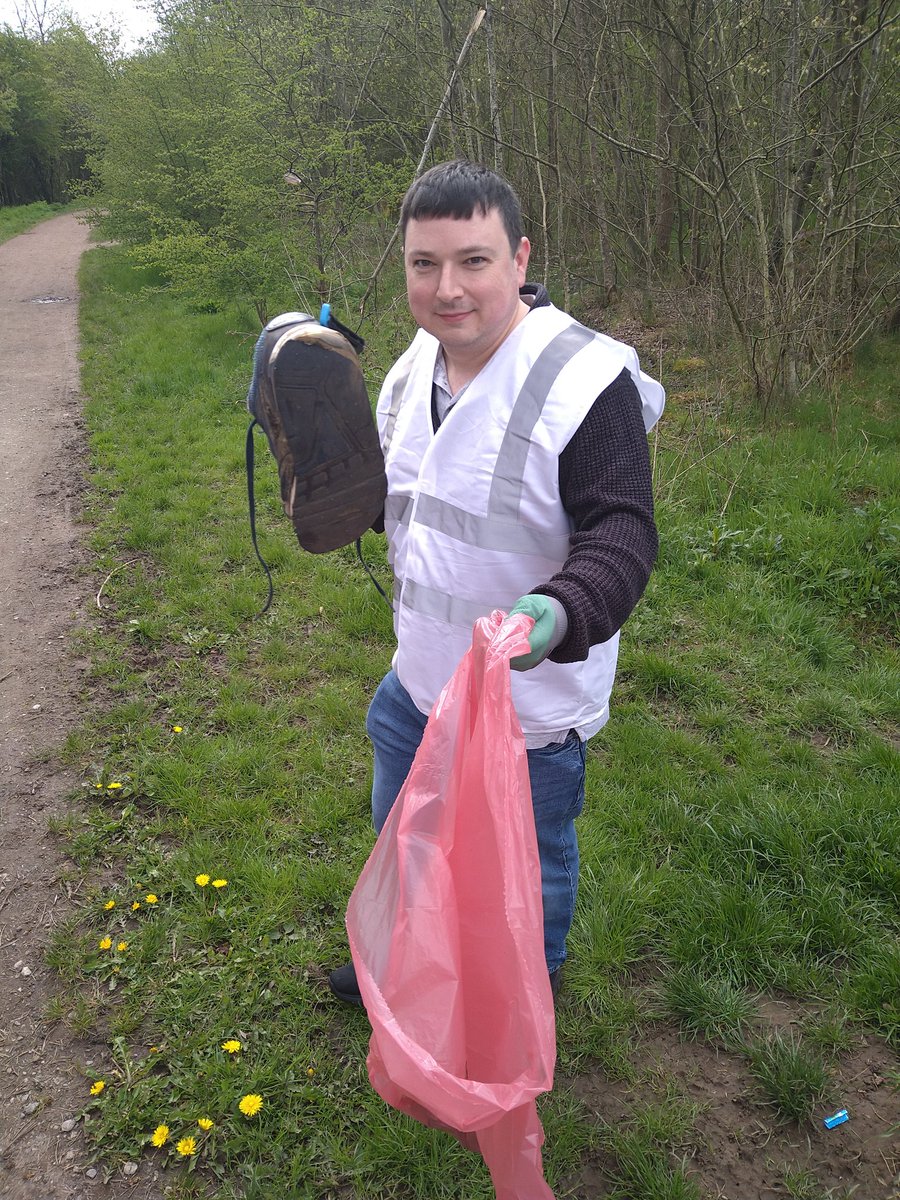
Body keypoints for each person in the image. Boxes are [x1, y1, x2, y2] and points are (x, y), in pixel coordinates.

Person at [329, 160, 664, 1006]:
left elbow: (622, 529)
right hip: (419, 682)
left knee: (526, 869)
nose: (448, 289)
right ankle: (409, 963)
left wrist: (561, 610)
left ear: (519, 258)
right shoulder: (414, 367)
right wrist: (319, 459)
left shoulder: (585, 379)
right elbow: (401, 505)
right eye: (424, 264)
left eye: (473, 261)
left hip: (528, 711)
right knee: (404, 838)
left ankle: (523, 997)